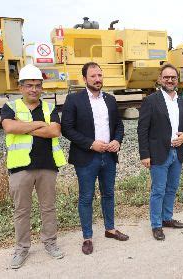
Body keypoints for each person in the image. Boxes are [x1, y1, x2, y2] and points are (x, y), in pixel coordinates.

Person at [1, 64, 66, 269]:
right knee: (22, 210)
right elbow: (10, 126)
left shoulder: (49, 107)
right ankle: (21, 249)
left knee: (48, 208)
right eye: (29, 85)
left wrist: (25, 127)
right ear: (20, 87)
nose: (34, 89)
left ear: (42, 87)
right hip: (20, 168)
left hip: (47, 165)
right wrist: (40, 126)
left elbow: (55, 131)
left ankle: (50, 243)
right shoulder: (10, 107)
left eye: (37, 85)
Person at [61, 62, 128, 255]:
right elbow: (67, 129)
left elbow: (119, 125)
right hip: (86, 157)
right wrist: (91, 144)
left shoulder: (110, 99)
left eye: (100, 75)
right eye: (93, 76)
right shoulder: (74, 100)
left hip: (109, 156)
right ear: (84, 79)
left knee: (108, 194)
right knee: (86, 197)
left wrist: (117, 140)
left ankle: (110, 229)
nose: (97, 79)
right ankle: (87, 237)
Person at [138, 64, 183, 241]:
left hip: (177, 153)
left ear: (177, 80)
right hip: (158, 153)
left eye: (173, 77)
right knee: (158, 190)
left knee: (172, 188)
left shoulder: (182, 101)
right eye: (166, 77)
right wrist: (144, 154)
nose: (170, 80)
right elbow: (142, 129)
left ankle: (167, 218)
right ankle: (156, 224)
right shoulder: (151, 101)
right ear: (160, 79)